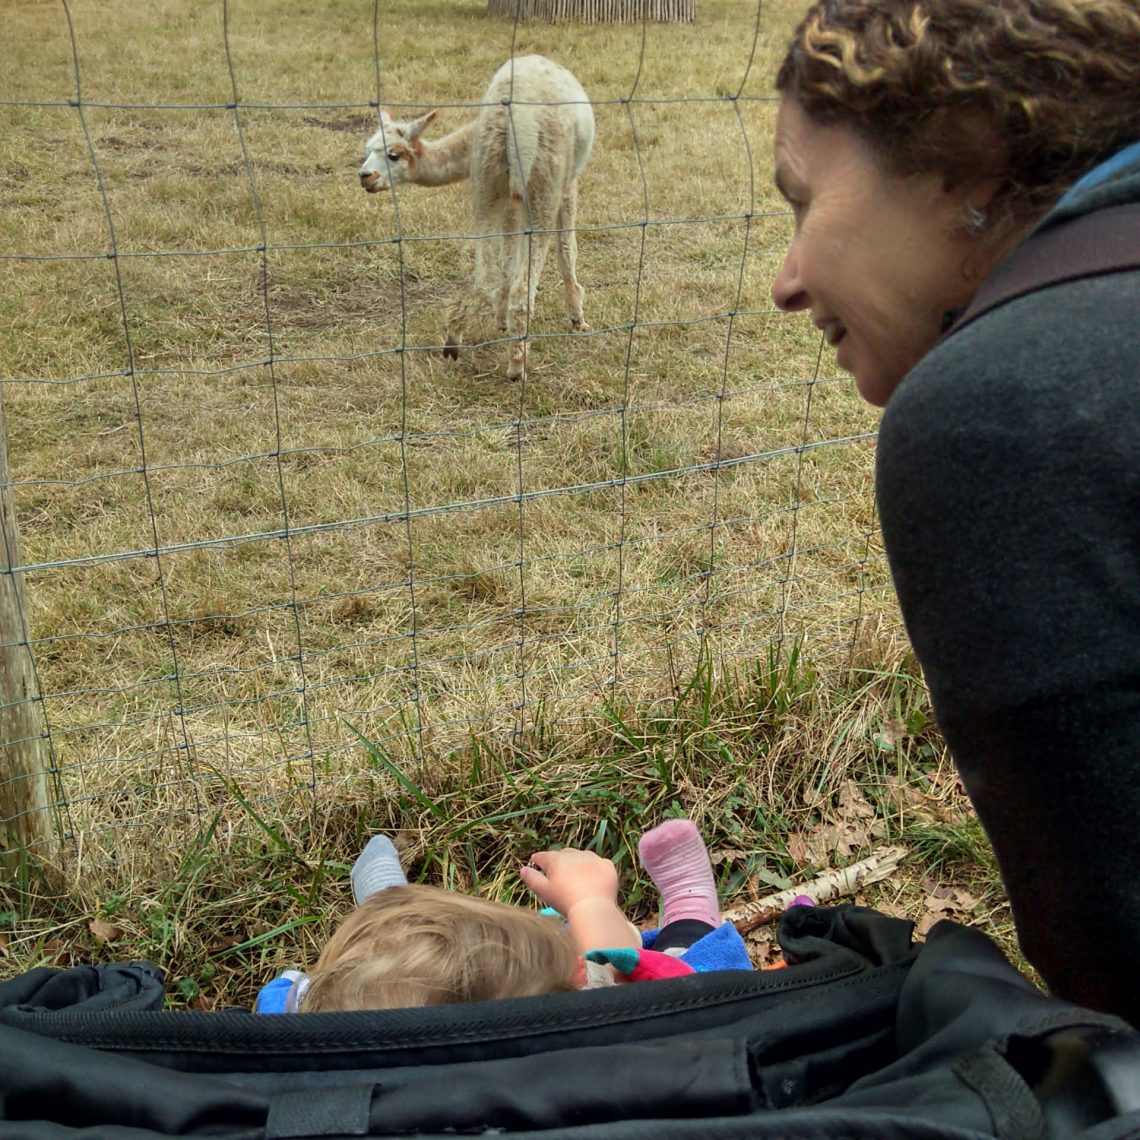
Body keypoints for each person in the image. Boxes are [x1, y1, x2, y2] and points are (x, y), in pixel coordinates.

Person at [770, 0, 1139, 1025]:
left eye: (803, 202)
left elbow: (1117, 954)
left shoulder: (1003, 411)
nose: (786, 283)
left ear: (965, 162)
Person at [255, 820, 753, 1013]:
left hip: (357, 1030)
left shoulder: (307, 1051)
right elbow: (625, 997)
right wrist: (590, 903)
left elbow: (294, 998)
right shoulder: (570, 1053)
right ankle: (691, 908)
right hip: (652, 1013)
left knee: (374, 972)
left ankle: (390, 907)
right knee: (695, 971)